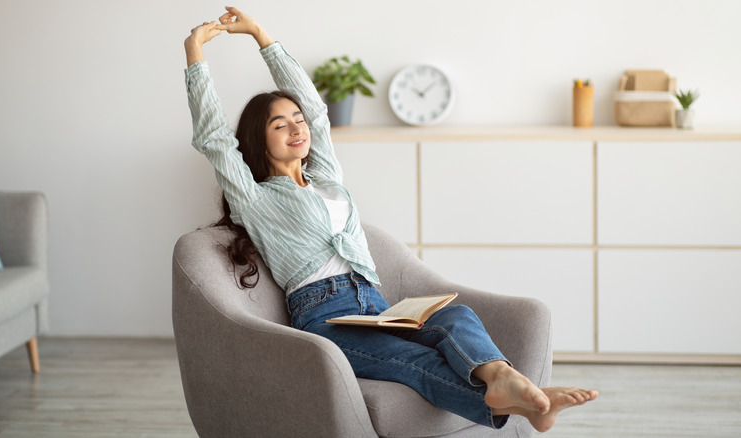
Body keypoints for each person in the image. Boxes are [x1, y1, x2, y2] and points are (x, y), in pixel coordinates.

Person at [184, 6, 597, 432]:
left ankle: (504, 379)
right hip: (323, 314)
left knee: (457, 318)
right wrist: (194, 52)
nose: (297, 127)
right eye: (279, 124)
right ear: (259, 138)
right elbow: (213, 137)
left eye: (298, 119)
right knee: (415, 360)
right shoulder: (255, 198)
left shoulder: (325, 177)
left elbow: (317, 111)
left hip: (374, 302)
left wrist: (262, 36)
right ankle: (521, 405)